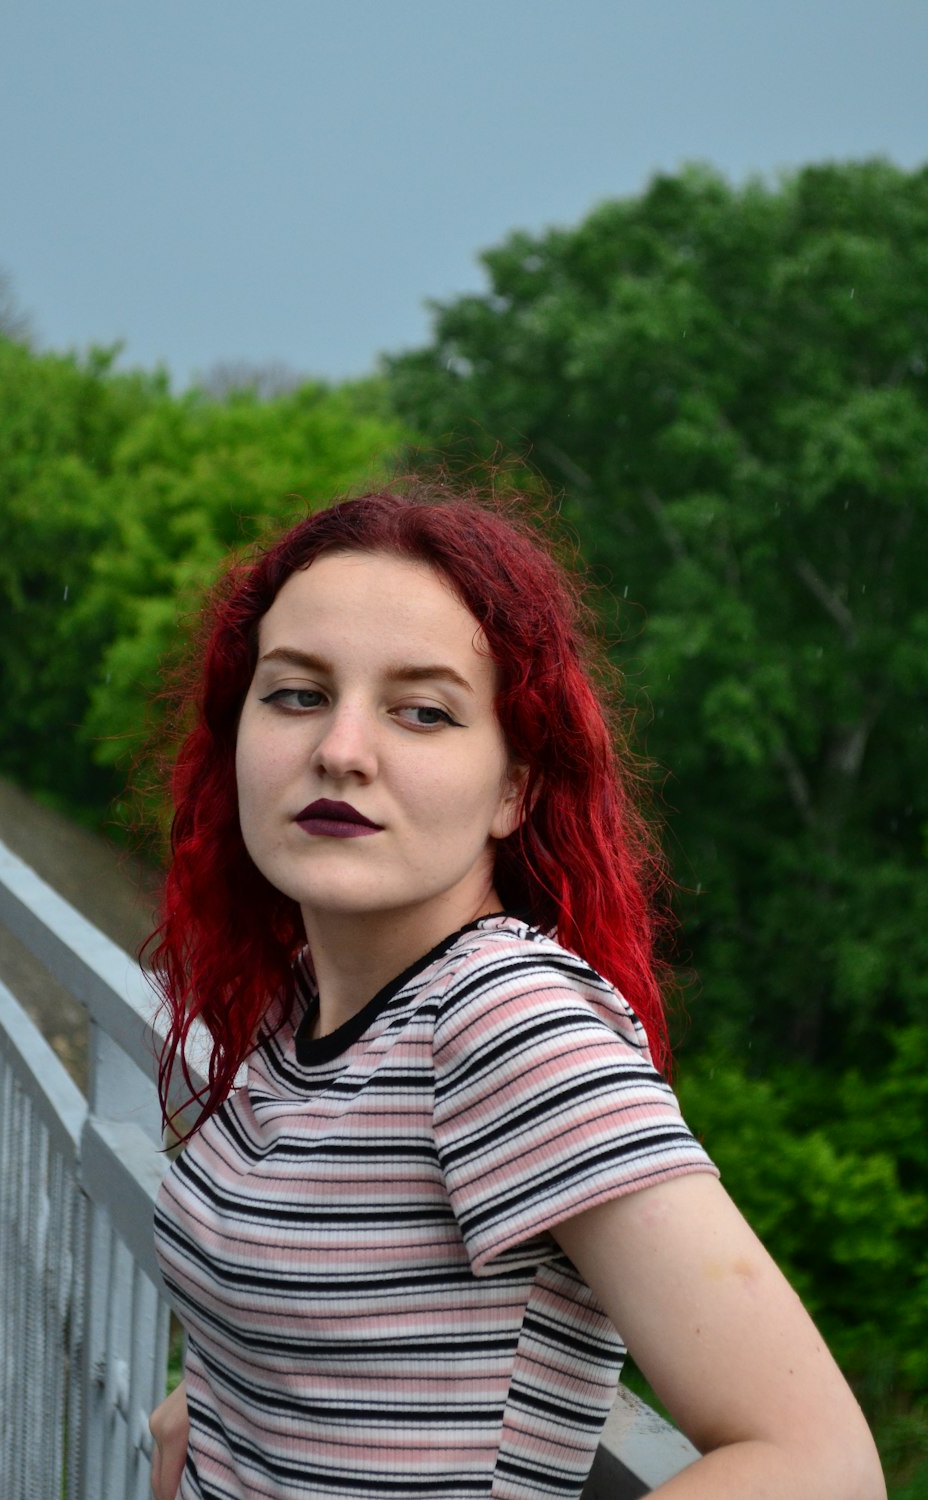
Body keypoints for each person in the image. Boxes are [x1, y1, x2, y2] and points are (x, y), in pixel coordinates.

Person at [147, 483, 884, 1500]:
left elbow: (820, 1465)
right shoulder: (303, 999)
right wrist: (230, 1397)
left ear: (512, 789)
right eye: (297, 694)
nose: (340, 751)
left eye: (421, 711)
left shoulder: (503, 1020)